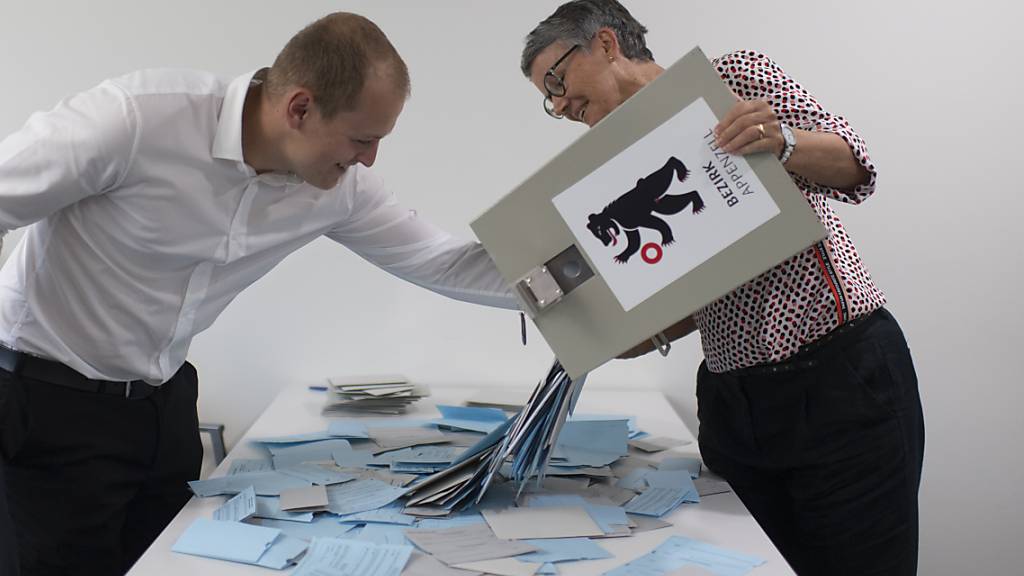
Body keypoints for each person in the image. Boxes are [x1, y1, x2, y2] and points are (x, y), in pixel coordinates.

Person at [0, 12, 514, 576]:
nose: (368, 159)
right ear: (299, 108)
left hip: (164, 405)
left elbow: (443, 262)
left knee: (175, 567)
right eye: (363, 138)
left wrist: (596, 295)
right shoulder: (136, 120)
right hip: (47, 406)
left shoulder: (338, 189)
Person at [519, 2, 925, 575]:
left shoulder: (728, 79)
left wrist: (780, 141)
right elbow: (708, 286)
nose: (559, 105)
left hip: (841, 383)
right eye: (548, 98)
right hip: (735, 404)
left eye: (557, 80)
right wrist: (624, 331)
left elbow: (858, 168)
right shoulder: (607, 166)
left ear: (607, 44)